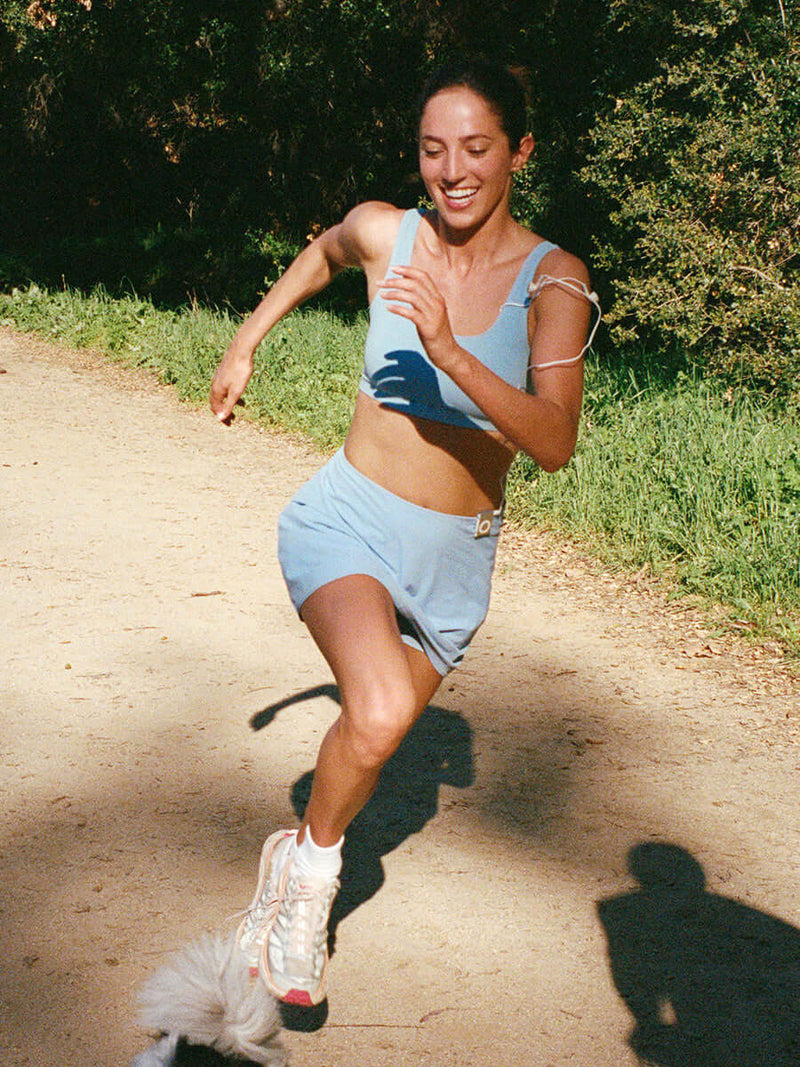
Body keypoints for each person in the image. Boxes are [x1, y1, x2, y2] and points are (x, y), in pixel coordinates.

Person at [209, 58, 599, 1008]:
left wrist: (450, 350)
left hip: (455, 562)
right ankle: (309, 891)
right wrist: (246, 339)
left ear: (519, 152)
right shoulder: (391, 233)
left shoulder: (555, 279)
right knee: (379, 710)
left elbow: (552, 441)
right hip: (347, 518)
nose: (453, 170)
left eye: (476, 148)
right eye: (434, 149)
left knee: (369, 739)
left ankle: (292, 855)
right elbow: (324, 250)